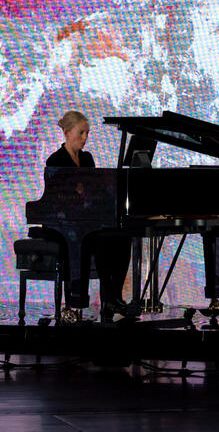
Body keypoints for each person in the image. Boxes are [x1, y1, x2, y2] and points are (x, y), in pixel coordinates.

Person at [46, 110, 131, 322]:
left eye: (87, 133)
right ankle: (80, 301)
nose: (85, 138)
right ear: (66, 132)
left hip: (86, 221)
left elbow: (96, 190)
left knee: (122, 236)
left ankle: (114, 298)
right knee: (96, 238)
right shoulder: (55, 159)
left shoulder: (87, 158)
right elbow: (57, 199)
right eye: (81, 133)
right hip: (62, 224)